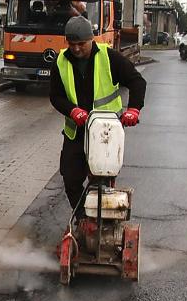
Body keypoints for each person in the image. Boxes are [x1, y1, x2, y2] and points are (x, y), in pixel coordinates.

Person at [49, 16, 146, 219]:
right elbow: (55, 96)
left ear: (91, 39)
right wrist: (72, 110)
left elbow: (137, 82)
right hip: (76, 132)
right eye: (72, 44)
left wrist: (134, 109)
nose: (76, 49)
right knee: (71, 179)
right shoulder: (60, 62)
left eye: (81, 44)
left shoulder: (109, 58)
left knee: (101, 181)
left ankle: (102, 220)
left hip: (105, 133)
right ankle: (84, 220)